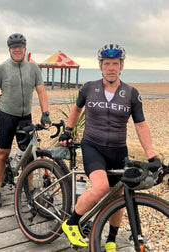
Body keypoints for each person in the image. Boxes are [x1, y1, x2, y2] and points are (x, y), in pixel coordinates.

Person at [58, 44, 161, 251]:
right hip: (92, 146)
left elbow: (140, 126)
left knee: (117, 196)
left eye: (115, 63)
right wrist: (68, 131)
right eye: (107, 64)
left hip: (118, 150)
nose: (111, 67)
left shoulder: (131, 93)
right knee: (102, 187)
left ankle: (112, 240)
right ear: (100, 66)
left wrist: (152, 157)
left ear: (122, 65)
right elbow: (76, 110)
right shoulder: (89, 88)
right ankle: (71, 224)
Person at [0, 33, 51, 208]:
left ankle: (30, 190)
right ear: (9, 49)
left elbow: (41, 92)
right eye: (14, 47)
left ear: (25, 48)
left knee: (28, 155)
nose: (17, 50)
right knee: (3, 153)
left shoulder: (33, 68)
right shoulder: (1, 69)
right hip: (7, 115)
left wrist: (45, 112)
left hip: (25, 117)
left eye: (20, 46)